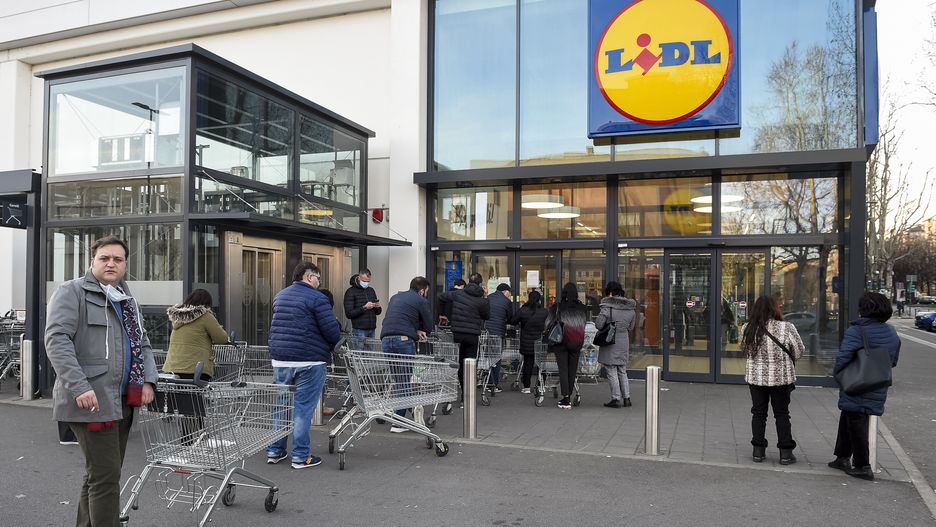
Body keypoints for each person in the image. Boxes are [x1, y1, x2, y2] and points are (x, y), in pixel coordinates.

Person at [45, 235, 158, 527]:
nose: (111, 263)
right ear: (92, 261)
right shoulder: (72, 292)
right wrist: (79, 386)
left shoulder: (127, 300)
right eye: (104, 258)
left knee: (99, 475)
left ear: (125, 265)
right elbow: (57, 341)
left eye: (117, 259)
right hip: (92, 401)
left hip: (123, 401)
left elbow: (142, 344)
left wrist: (148, 380)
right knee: (106, 478)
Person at [266, 262, 341, 469]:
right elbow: (332, 332)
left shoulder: (280, 296)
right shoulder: (317, 298)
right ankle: (300, 456)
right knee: (302, 409)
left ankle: (275, 450)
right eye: (318, 278)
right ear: (309, 277)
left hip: (281, 359)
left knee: (282, 406)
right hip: (309, 360)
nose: (319, 282)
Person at [828, 292, 900, 481]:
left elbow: (843, 356)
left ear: (864, 309)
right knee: (849, 415)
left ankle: (862, 466)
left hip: (857, 381)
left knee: (856, 421)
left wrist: (839, 376)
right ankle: (842, 457)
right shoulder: (891, 331)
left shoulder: (858, 330)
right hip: (878, 381)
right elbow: (893, 360)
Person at [740, 295, 804, 465]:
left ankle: (758, 451)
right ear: (774, 309)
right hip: (781, 379)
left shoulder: (747, 328)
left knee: (758, 413)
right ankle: (785, 453)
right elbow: (799, 351)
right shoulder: (786, 327)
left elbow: (745, 351)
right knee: (782, 414)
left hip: (756, 378)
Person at [380, 276, 433, 432]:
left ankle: (408, 410)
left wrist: (414, 329)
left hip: (386, 340)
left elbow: (399, 318)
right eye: (426, 292)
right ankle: (399, 422)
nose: (426, 294)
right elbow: (428, 325)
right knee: (404, 380)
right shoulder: (420, 300)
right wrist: (422, 330)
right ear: (422, 291)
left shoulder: (395, 297)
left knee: (399, 380)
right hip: (403, 341)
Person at [439, 273, 490, 401]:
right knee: (470, 364)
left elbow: (442, 296)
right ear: (480, 284)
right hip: (472, 336)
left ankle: (462, 391)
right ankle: (467, 395)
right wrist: (486, 297)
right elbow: (487, 316)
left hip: (458, 334)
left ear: (468, 282)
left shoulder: (458, 294)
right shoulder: (481, 299)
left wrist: (442, 314)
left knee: (460, 364)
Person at [162, 289, 228, 382]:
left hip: (172, 368)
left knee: (179, 391)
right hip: (195, 369)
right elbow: (222, 338)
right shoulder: (205, 316)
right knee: (196, 391)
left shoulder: (177, 318)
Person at [594, 282, 637, 408]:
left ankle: (616, 398)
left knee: (611, 369)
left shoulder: (607, 308)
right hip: (623, 341)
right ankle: (627, 398)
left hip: (610, 341)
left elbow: (598, 325)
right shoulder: (631, 309)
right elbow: (631, 327)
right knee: (622, 370)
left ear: (610, 293)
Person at [546, 282, 587, 409]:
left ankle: (566, 398)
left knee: (563, 369)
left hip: (561, 341)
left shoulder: (557, 307)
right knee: (572, 370)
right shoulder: (582, 308)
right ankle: (569, 395)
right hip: (577, 342)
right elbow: (584, 323)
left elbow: (547, 323)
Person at [508, 291, 548, 393]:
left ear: (529, 298)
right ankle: (541, 385)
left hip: (527, 342)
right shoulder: (544, 312)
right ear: (539, 300)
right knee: (541, 364)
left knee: (528, 364)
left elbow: (513, 321)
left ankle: (526, 387)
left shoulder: (523, 310)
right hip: (540, 341)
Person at [483, 283, 514, 393]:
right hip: (497, 333)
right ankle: (493, 384)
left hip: (485, 332)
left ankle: (485, 380)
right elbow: (510, 318)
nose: (509, 295)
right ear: (505, 291)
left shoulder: (488, 298)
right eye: (509, 293)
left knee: (487, 357)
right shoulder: (506, 302)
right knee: (496, 358)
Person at [343, 269, 381, 338]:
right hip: (359, 330)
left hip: (372, 329)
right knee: (359, 346)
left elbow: (378, 312)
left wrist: (377, 307)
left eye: (368, 281)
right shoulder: (350, 291)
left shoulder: (371, 290)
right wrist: (364, 307)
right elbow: (348, 314)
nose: (366, 283)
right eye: (364, 281)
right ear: (359, 278)